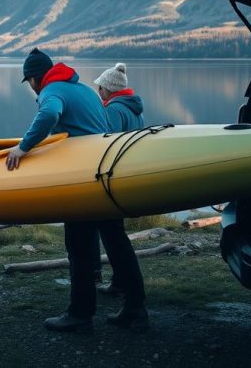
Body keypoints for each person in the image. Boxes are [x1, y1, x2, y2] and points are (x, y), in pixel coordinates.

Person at [5, 48, 110, 332]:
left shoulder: (52, 91)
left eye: (29, 83)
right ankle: (131, 307)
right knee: (94, 245)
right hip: (103, 175)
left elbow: (50, 114)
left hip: (80, 179)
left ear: (34, 79)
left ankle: (80, 314)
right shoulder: (85, 90)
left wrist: (23, 147)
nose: (32, 88)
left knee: (77, 247)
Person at [92, 62, 150, 331]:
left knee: (114, 235)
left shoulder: (114, 109)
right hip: (127, 175)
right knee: (112, 231)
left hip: (113, 178)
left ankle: (135, 303)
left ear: (108, 88)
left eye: (99, 86)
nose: (98, 89)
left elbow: (106, 141)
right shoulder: (132, 107)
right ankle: (118, 283)